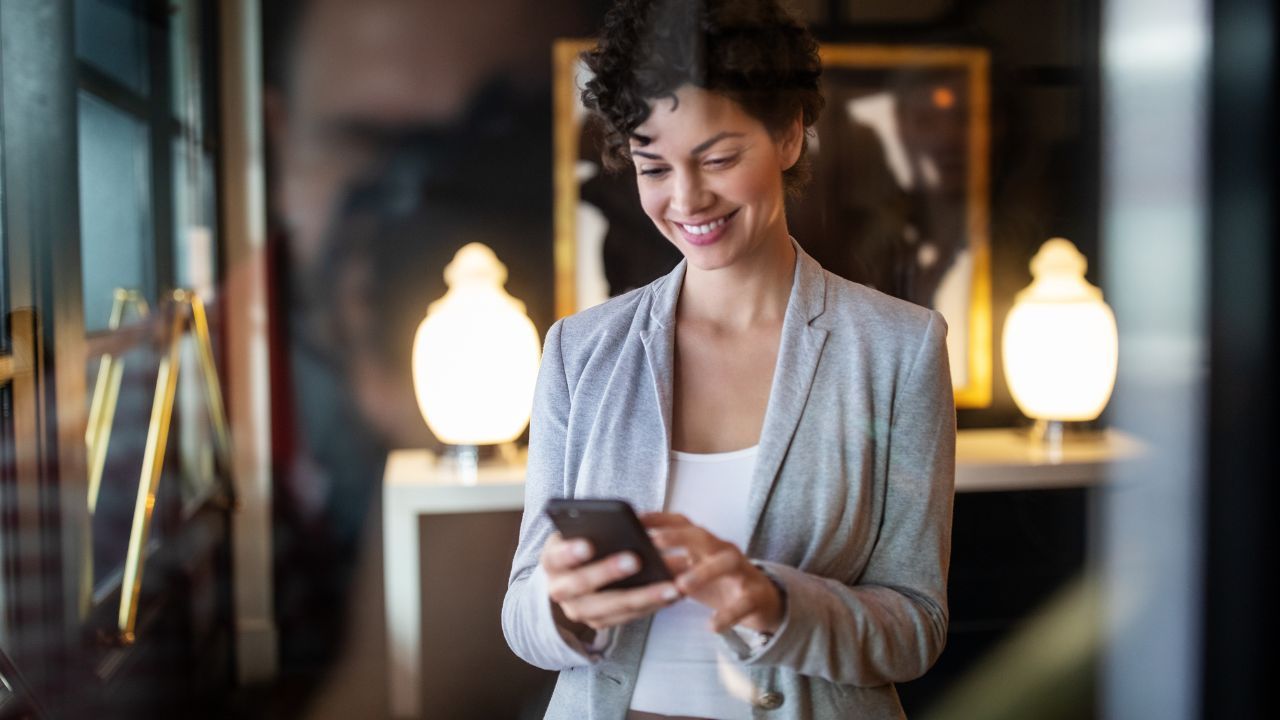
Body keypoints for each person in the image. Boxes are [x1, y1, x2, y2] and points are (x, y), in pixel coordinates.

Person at [502, 1, 956, 718]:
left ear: (789, 134)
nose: (687, 198)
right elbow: (522, 616)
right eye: (654, 166)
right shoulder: (579, 351)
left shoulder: (898, 347)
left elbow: (916, 628)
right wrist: (560, 604)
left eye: (717, 158)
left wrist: (776, 603)